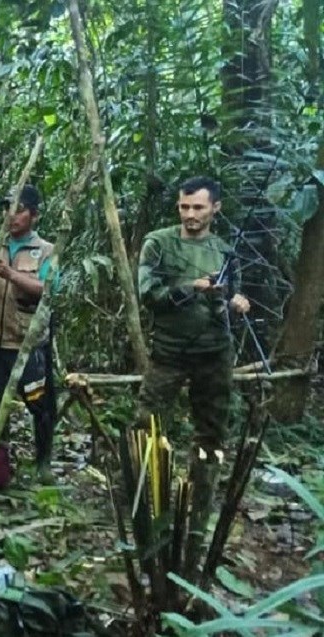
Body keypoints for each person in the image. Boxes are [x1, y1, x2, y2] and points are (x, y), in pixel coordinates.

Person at [136, 176, 250, 577]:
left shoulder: (224, 250)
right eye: (185, 207)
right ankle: (146, 505)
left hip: (214, 355)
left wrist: (234, 301)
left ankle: (201, 506)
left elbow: (230, 295)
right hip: (169, 353)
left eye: (199, 207)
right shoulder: (159, 243)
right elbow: (149, 294)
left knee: (211, 435)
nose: (190, 215)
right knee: (147, 429)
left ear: (215, 208)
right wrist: (193, 288)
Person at [0, 185, 59, 483]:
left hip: (27, 343)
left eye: (18, 210)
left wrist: (10, 274)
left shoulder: (46, 251)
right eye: (7, 209)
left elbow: (49, 291)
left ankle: (42, 464)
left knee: (40, 406)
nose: (11, 215)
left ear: (34, 215)